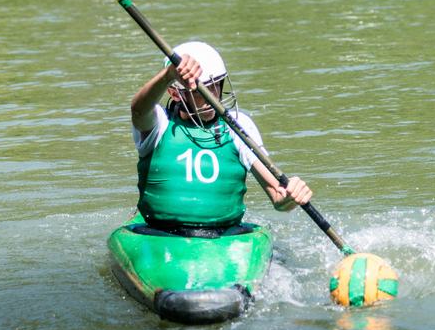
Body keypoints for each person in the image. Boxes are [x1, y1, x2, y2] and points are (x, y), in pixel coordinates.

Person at [130, 41, 313, 236]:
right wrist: (168, 75)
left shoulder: (237, 126)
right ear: (175, 93)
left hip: (224, 236)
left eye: (216, 85)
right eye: (201, 91)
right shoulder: (159, 123)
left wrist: (291, 196)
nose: (212, 96)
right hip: (158, 234)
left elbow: (278, 197)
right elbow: (139, 109)